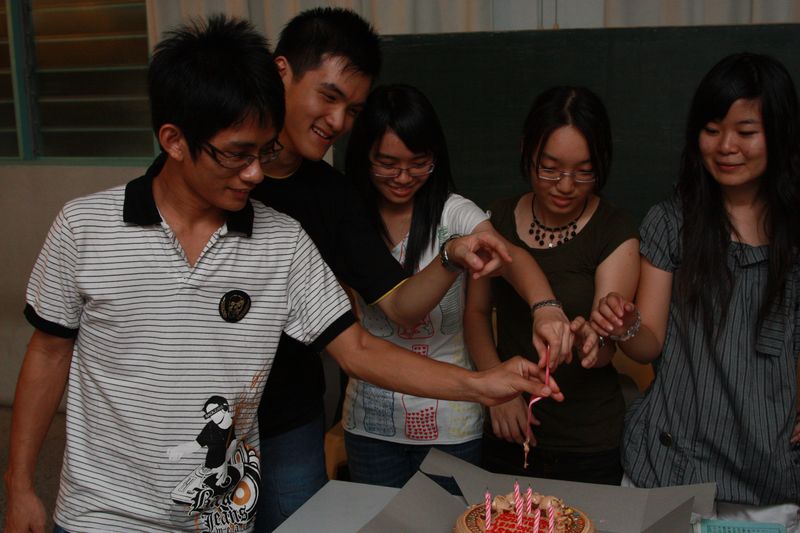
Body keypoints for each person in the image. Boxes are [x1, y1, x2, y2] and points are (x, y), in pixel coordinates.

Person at [2, 15, 563, 533]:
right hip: (102, 513)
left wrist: (479, 384)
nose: (256, 174)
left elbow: (360, 349)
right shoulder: (86, 227)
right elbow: (49, 353)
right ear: (174, 141)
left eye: (263, 153)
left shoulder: (283, 239)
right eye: (238, 155)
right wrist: (20, 485)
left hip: (221, 510)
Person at [248, 8, 575, 529]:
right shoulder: (230, 176)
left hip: (293, 416)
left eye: (351, 109)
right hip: (212, 413)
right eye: (328, 97)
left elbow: (397, 311)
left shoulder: (335, 199)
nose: (337, 121)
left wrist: (542, 308)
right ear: (280, 72)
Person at [338, 84, 594, 491]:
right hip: (371, 423)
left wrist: (545, 307)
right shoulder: (347, 216)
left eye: (418, 164)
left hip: (452, 423)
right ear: (363, 155)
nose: (403, 177)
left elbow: (509, 255)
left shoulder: (452, 212)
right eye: (386, 164)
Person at [592, 52, 800, 528]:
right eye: (711, 129)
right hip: (669, 466)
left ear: (779, 133)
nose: (726, 146)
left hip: (767, 481)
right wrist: (626, 326)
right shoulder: (672, 222)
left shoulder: (793, 235)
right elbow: (648, 345)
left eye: (745, 132)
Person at [464, 86, 640, 484]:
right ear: (526, 150)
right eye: (550, 168)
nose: (565, 185)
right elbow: (475, 314)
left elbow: (607, 342)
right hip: (509, 426)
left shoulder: (614, 229)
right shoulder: (498, 218)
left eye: (584, 171)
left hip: (590, 441)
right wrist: (497, 392)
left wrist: (593, 341)